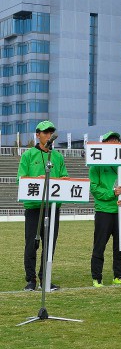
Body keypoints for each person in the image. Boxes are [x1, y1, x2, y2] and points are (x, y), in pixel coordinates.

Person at [17, 120, 68, 291]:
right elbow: (21, 179)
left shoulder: (59, 157)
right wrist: (35, 180)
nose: (48, 135)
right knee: (31, 243)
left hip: (53, 207)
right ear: (37, 135)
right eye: (45, 132)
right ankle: (31, 280)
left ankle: (45, 278)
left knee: (50, 244)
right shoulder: (28, 155)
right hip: (33, 207)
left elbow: (65, 178)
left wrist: (62, 180)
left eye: (50, 132)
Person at [89, 131, 121, 287]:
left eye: (116, 140)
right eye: (110, 141)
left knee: (120, 245)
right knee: (100, 244)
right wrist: (111, 193)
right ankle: (97, 277)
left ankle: (118, 275)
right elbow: (94, 188)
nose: (114, 143)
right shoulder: (96, 164)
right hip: (104, 211)